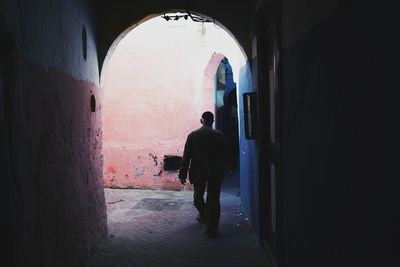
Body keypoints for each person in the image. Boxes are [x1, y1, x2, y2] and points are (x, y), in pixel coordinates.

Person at [178, 111, 233, 238]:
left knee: (198, 198)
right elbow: (226, 153)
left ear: (201, 120)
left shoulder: (193, 135)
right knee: (213, 200)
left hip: (198, 172)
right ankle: (211, 227)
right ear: (212, 121)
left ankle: (204, 215)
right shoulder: (218, 135)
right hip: (215, 172)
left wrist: (182, 174)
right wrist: (230, 166)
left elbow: (186, 156)